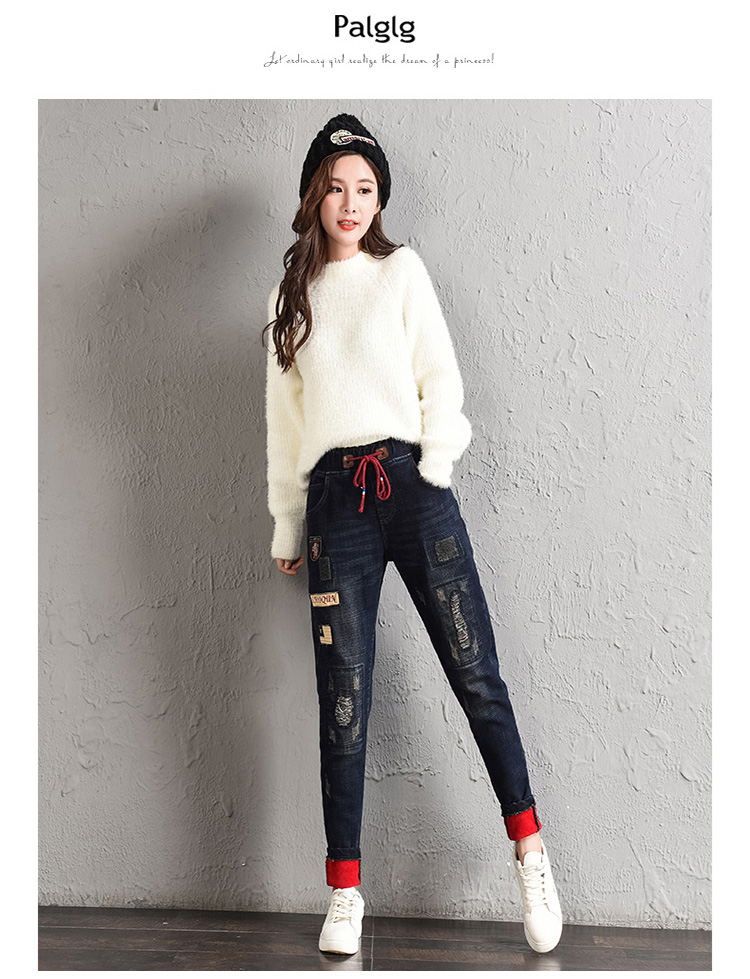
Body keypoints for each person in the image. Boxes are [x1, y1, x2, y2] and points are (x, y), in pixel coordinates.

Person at [263, 112, 563, 957]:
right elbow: (285, 424)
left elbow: (441, 376)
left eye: (364, 188)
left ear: (379, 197)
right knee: (343, 703)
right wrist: (288, 520)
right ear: (313, 197)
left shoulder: (401, 272)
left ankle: (531, 852)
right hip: (335, 504)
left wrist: (435, 464)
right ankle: (345, 889)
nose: (350, 202)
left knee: (476, 673)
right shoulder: (290, 299)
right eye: (335, 188)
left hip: (412, 488)